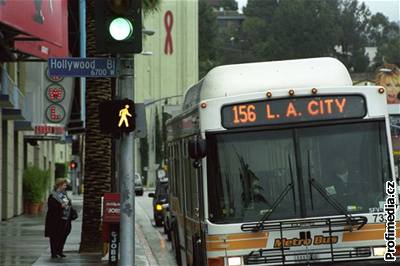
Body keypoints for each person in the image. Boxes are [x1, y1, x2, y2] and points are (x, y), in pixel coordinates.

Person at [44, 178, 72, 259]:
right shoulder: (53, 195)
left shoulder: (63, 194)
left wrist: (69, 206)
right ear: (59, 185)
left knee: (63, 235)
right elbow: (51, 207)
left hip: (64, 219)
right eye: (64, 185)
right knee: (54, 236)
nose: (65, 186)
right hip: (55, 220)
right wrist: (61, 206)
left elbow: (68, 205)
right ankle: (54, 253)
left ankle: (60, 251)